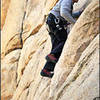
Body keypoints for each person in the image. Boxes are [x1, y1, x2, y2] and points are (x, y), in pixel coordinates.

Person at [40, 0, 83, 78]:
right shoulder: (68, 0)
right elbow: (64, 13)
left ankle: (46, 70)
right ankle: (50, 57)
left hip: (51, 23)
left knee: (56, 48)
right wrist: (75, 23)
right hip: (55, 22)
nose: (77, 1)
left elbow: (65, 13)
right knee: (63, 41)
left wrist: (77, 14)